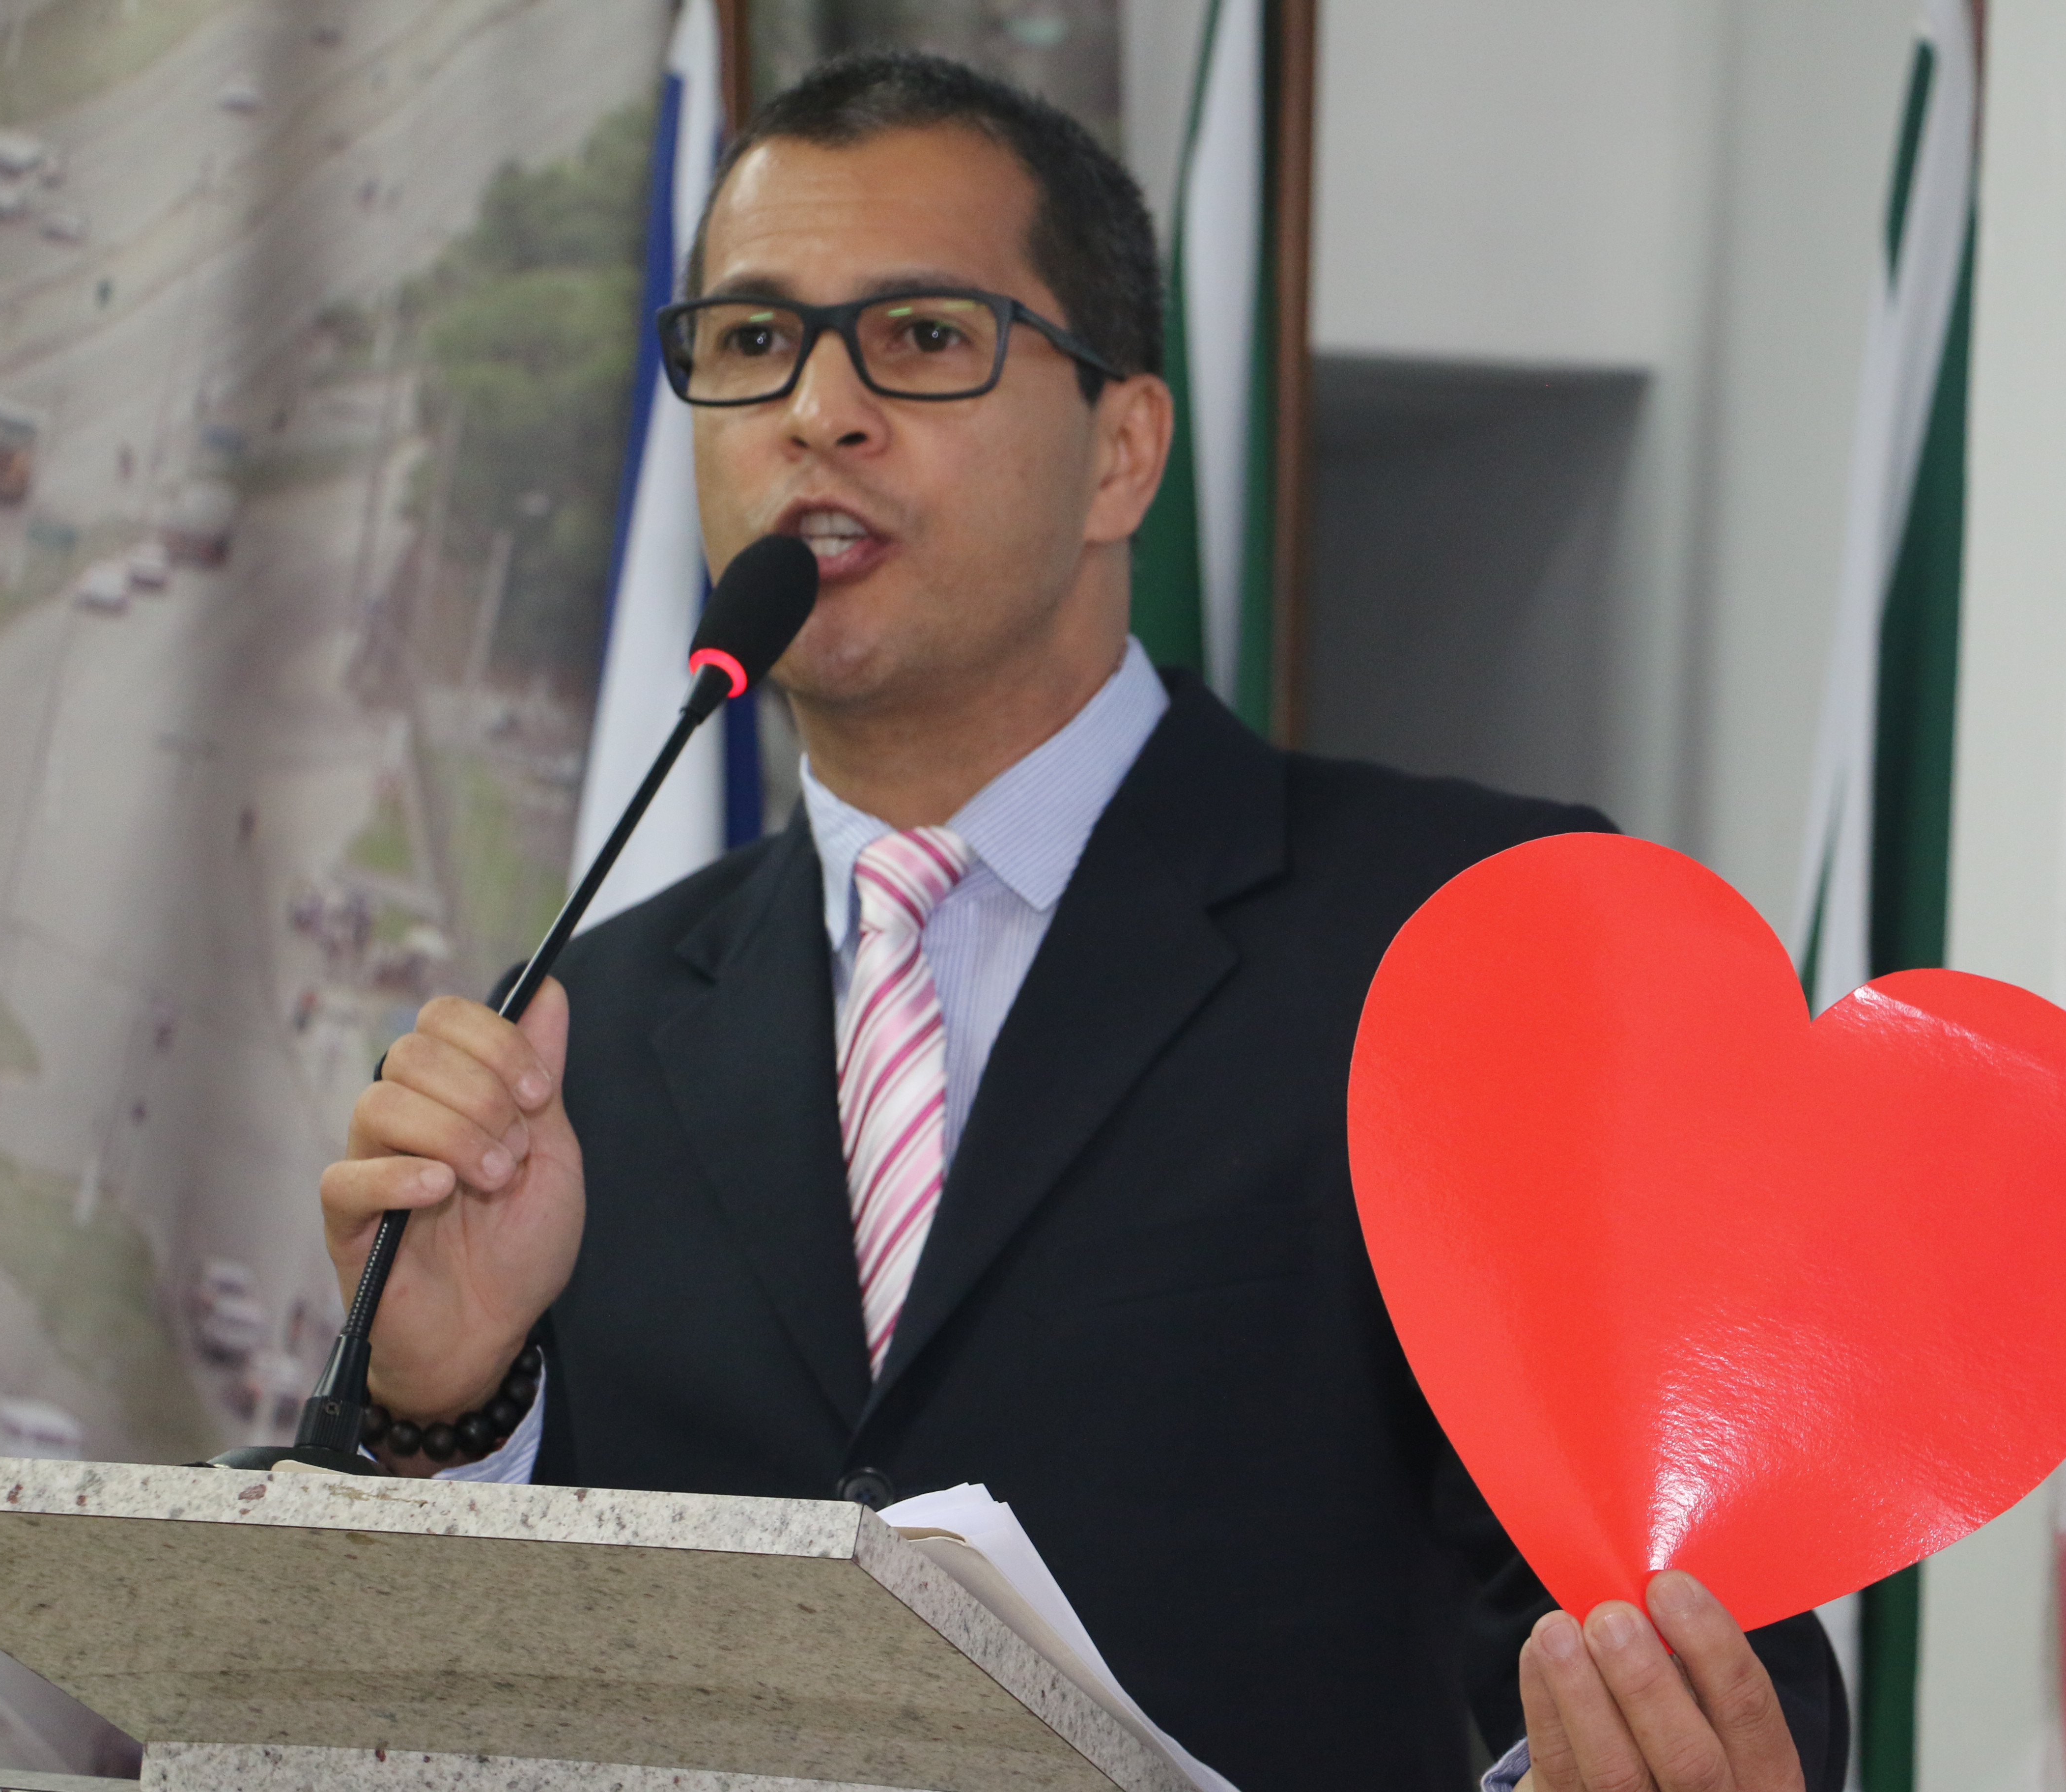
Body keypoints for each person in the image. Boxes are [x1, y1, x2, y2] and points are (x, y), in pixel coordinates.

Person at [320, 52, 1843, 1792]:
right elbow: (454, 1695)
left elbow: (1709, 1654)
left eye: (921, 337)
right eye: (752, 342)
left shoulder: (1471, 942)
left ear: (1124, 453)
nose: (818, 410)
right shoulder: (576, 1037)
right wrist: (443, 1411)